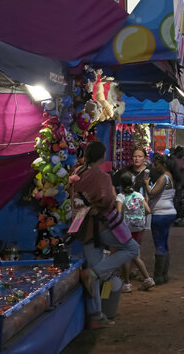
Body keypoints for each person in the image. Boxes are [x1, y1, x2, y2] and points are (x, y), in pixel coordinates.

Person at [69, 140, 140, 328]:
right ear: (102, 155)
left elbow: (74, 201)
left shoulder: (77, 173)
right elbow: (107, 199)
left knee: (94, 265)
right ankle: (94, 273)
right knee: (132, 248)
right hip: (102, 225)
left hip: (83, 226)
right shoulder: (101, 176)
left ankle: (96, 316)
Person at [116, 172, 155, 292]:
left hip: (125, 230)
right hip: (137, 228)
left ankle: (127, 283)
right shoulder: (138, 195)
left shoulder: (120, 197)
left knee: (128, 255)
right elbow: (148, 210)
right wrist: (139, 217)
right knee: (134, 254)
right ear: (133, 183)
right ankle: (147, 279)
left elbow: (117, 214)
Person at [147, 151, 178, 285]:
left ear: (163, 165)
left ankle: (158, 276)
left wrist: (146, 182)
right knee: (164, 243)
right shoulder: (170, 177)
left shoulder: (163, 178)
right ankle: (163, 274)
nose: (155, 167)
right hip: (169, 212)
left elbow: (152, 193)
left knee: (159, 244)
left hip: (160, 213)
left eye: (157, 164)